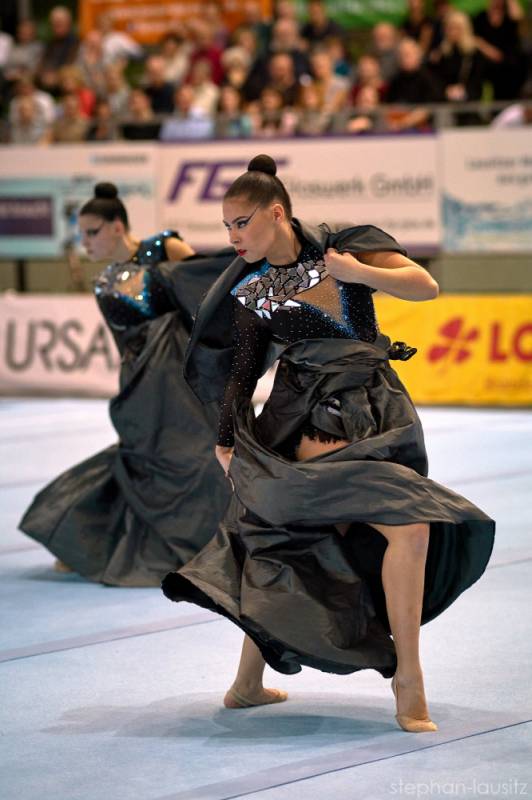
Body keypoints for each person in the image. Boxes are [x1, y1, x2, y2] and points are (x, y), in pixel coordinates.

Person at [162, 155, 495, 731]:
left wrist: (360, 273)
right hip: (307, 417)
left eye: (242, 222)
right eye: (226, 226)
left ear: (276, 213)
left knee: (296, 541)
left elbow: (426, 286)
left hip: (378, 411)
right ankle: (408, 679)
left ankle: (247, 683)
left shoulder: (343, 245)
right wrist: (225, 442)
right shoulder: (251, 290)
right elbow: (242, 374)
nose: (233, 236)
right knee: (400, 529)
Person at [20, 183, 233, 586]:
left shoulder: (164, 247)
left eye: (92, 232)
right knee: (145, 461)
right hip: (145, 387)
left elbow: (207, 294)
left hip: (186, 380)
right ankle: (90, 541)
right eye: (81, 234)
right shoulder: (104, 284)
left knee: (204, 457)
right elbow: (125, 345)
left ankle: (217, 542)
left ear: (117, 226)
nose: (85, 242)